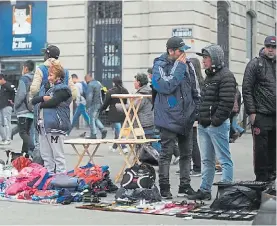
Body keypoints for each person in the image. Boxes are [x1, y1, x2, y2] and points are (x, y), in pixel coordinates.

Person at [152, 36, 200, 199]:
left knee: (187, 153)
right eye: (180, 51)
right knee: (166, 154)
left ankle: (184, 186)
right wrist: (179, 66)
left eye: (184, 51)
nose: (183, 54)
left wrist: (196, 111)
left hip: (187, 116)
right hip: (168, 117)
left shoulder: (188, 65)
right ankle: (164, 187)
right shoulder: (160, 64)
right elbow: (165, 85)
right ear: (171, 51)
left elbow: (196, 89)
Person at [188, 44, 236, 200]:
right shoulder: (209, 76)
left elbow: (227, 102)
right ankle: (204, 190)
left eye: (206, 58)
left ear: (214, 58)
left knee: (224, 160)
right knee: (207, 160)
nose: (203, 61)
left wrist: (215, 121)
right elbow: (204, 100)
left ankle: (226, 193)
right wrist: (200, 119)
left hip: (217, 126)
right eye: (203, 58)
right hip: (204, 125)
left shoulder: (226, 76)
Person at [242, 36, 276, 182]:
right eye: (268, 46)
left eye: (273, 47)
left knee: (273, 148)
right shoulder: (255, 64)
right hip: (261, 114)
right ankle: (261, 178)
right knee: (261, 150)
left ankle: (272, 175)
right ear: (264, 47)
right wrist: (252, 112)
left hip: (275, 115)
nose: (271, 49)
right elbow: (246, 89)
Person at [32, 59, 72, 175]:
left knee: (58, 154)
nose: (48, 77)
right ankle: (49, 178)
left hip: (55, 126)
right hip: (43, 125)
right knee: (46, 155)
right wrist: (43, 99)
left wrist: (41, 102)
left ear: (58, 76)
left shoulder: (63, 89)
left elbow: (53, 102)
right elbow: (33, 100)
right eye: (48, 75)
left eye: (51, 75)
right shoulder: (47, 89)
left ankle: (61, 179)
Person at [100, 77, 129, 153]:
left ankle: (124, 146)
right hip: (123, 111)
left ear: (114, 83)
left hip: (114, 112)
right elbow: (125, 102)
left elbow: (106, 102)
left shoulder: (110, 92)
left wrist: (102, 109)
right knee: (119, 130)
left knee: (118, 130)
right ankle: (114, 147)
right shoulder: (125, 91)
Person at [14, 60, 35, 155]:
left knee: (23, 133)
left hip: (23, 111)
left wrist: (16, 105)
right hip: (32, 110)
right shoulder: (35, 79)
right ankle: (25, 154)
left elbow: (21, 94)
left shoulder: (24, 79)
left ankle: (33, 148)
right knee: (27, 132)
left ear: (26, 68)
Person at [85, 74, 107, 139]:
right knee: (95, 118)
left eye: (86, 80)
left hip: (94, 103)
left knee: (91, 118)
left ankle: (93, 134)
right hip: (100, 103)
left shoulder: (90, 85)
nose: (86, 82)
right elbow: (105, 91)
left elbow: (89, 97)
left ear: (88, 78)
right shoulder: (98, 83)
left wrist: (87, 106)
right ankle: (102, 129)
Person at [0, 74, 17, 145]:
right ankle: (3, 138)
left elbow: (15, 92)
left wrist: (12, 100)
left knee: (7, 123)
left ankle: (8, 139)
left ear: (2, 79)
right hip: (1, 106)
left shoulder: (8, 85)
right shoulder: (2, 87)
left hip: (7, 106)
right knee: (1, 123)